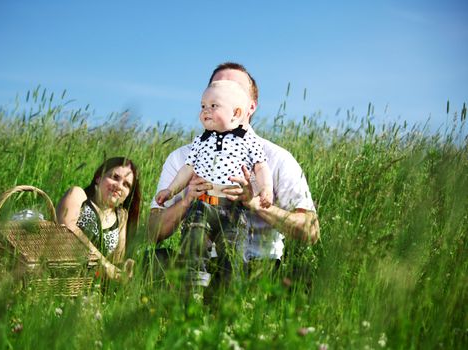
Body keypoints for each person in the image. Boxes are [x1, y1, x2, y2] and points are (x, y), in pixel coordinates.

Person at [148, 62, 319, 273]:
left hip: (257, 266)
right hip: (196, 258)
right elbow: (151, 233)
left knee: (302, 274)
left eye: (233, 89)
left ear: (249, 107)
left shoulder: (276, 157)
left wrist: (255, 203)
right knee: (151, 262)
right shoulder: (183, 155)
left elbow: (311, 231)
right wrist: (187, 200)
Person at [155, 79, 273, 286]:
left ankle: (226, 294)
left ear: (236, 113)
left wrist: (266, 189)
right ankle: (192, 286)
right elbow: (188, 168)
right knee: (193, 243)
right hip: (203, 203)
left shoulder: (248, 140)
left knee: (232, 252)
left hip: (233, 207)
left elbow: (261, 167)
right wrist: (171, 190)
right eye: (202, 106)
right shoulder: (200, 141)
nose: (205, 111)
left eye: (213, 106)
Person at [57, 157, 141, 279]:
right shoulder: (78, 195)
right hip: (58, 274)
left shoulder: (121, 216)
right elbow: (67, 228)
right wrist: (105, 264)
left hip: (89, 284)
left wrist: (124, 267)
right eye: (115, 177)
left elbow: (116, 260)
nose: (119, 186)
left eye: (126, 184)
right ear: (98, 178)